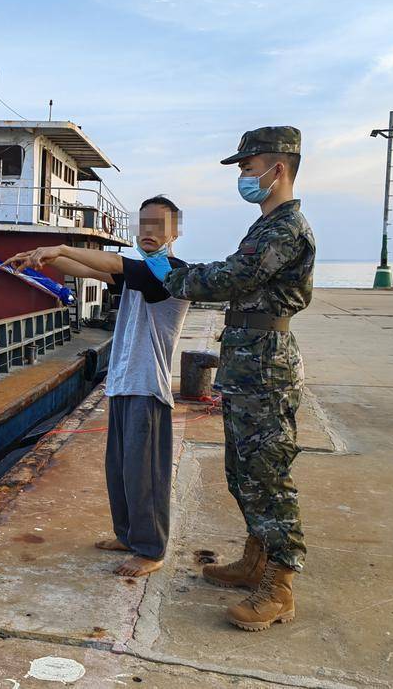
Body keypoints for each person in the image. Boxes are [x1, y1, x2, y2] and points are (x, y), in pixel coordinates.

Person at [160, 126, 315, 632]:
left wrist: (164, 269)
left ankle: (281, 584)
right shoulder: (266, 225)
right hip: (250, 360)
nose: (244, 179)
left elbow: (231, 278)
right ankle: (256, 558)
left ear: (278, 169)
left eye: (248, 169)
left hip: (267, 362)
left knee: (268, 472)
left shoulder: (285, 229)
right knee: (244, 469)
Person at [3, 196, 190, 577]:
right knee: (120, 469)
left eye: (158, 224)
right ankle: (128, 534)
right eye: (143, 224)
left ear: (174, 232)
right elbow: (97, 271)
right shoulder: (141, 270)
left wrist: (60, 247)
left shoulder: (170, 272)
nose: (148, 232)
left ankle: (151, 549)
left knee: (144, 473)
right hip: (123, 382)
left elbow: (114, 264)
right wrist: (43, 257)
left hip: (147, 385)